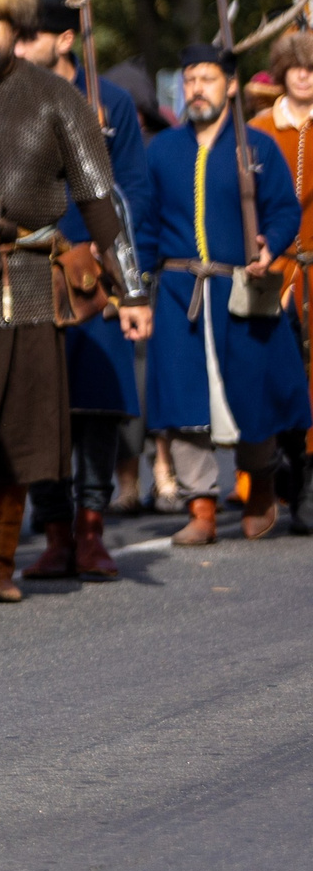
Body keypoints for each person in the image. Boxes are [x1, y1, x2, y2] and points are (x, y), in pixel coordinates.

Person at [0, 0, 148, 603]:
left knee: (17, 425)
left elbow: (101, 199)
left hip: (25, 277)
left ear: (17, 23)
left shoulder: (57, 98)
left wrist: (131, 288)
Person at [143, 44, 309, 544]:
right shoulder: (163, 150)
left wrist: (269, 246)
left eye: (208, 79)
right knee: (184, 402)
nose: (196, 89)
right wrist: (136, 289)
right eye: (189, 80)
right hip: (180, 292)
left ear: (231, 85)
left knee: (254, 397)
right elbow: (145, 222)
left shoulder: (254, 147)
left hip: (240, 289)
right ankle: (202, 510)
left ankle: (260, 484)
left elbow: (284, 211)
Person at [18, 0, 154, 577]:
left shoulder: (112, 103)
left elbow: (136, 194)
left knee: (97, 405)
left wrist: (128, 278)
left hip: (95, 272)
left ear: (64, 39)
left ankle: (91, 530)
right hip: (31, 269)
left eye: (29, 35)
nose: (18, 46)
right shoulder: (9, 102)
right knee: (41, 408)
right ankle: (54, 532)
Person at [249, 28, 313, 533]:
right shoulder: (259, 129)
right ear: (284, 70)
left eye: (312, 67)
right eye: (297, 66)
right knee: (275, 372)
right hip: (274, 267)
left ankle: (310, 480)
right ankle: (288, 461)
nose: (305, 75)